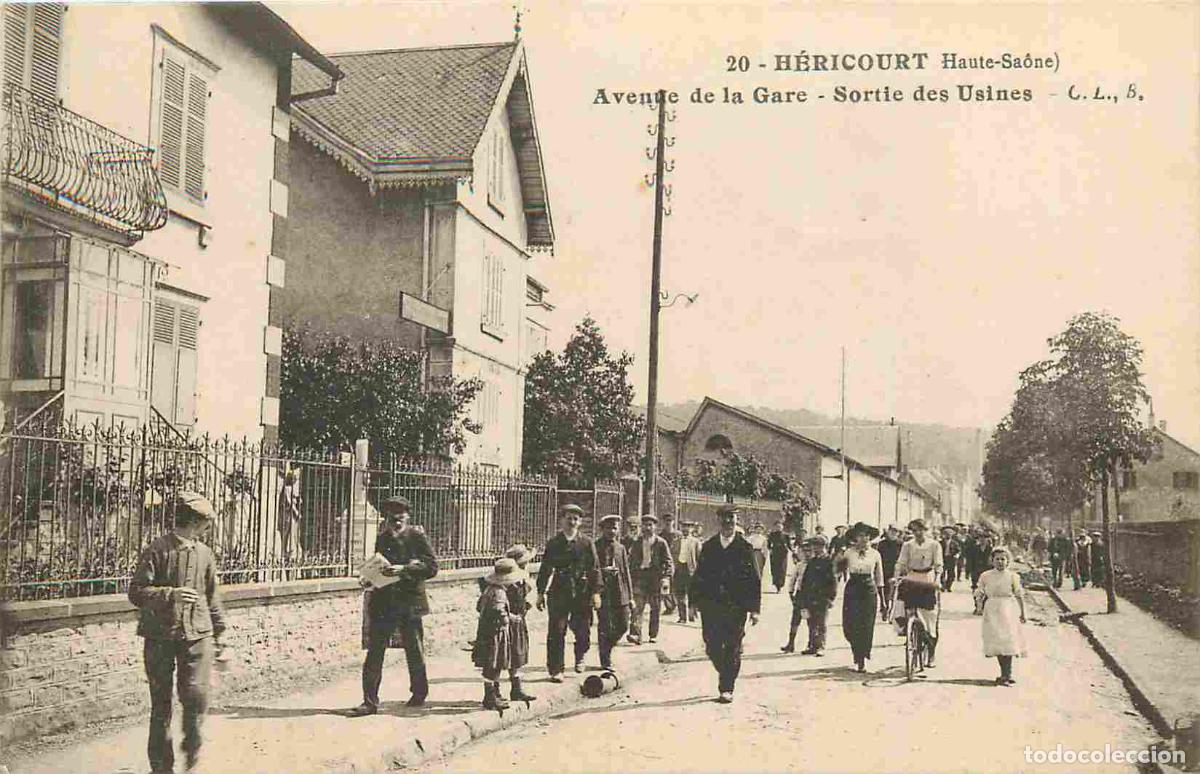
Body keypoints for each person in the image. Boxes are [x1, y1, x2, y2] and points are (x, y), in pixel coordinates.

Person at [129, 492, 226, 774]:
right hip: (159, 637)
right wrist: (170, 595)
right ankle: (161, 767)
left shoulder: (205, 554)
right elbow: (136, 592)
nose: (208, 527)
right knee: (161, 705)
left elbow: (212, 597)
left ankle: (192, 752)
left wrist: (222, 635)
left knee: (196, 698)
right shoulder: (157, 550)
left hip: (197, 637)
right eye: (206, 522)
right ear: (194, 521)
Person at [350, 496, 438, 716]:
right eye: (391, 519)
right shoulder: (382, 538)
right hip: (384, 602)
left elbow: (432, 567)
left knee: (414, 649)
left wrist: (404, 569)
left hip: (409, 602)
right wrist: (369, 578)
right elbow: (380, 564)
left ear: (407, 517)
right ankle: (369, 701)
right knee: (375, 651)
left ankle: (419, 693)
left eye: (399, 519)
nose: (396, 523)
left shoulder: (417, 537)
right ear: (386, 519)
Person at [690, 505, 761, 703]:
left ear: (736, 521)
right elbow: (699, 576)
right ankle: (728, 671)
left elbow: (754, 579)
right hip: (711, 606)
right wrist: (693, 602)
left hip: (735, 607)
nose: (728, 522)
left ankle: (726, 687)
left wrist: (754, 609)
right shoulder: (709, 546)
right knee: (711, 645)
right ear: (718, 521)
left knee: (732, 646)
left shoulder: (745, 547)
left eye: (732, 518)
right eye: (724, 519)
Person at [536, 504, 601, 680]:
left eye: (575, 519)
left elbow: (594, 569)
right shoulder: (554, 543)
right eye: (568, 518)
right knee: (557, 630)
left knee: (583, 630)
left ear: (580, 522)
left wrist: (595, 593)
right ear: (562, 520)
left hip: (582, 591)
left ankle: (580, 656)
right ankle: (556, 669)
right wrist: (540, 593)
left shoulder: (587, 543)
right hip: (559, 590)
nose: (572, 522)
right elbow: (545, 569)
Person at [472, 558, 523, 711]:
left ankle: (492, 695)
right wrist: (509, 619)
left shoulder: (489, 589)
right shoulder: (500, 593)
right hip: (496, 634)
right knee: (493, 664)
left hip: (487, 631)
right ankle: (490, 697)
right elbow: (498, 611)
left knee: (492, 664)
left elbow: (479, 607)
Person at [973, 547, 1027, 686]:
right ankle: (1004, 673)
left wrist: (1023, 613)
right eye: (997, 559)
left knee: (1007, 640)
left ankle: (1007, 674)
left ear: (1008, 560)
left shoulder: (1013, 576)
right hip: (991, 609)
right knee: (996, 641)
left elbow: (1019, 595)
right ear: (992, 560)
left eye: (1003, 559)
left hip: (1007, 608)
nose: (1000, 562)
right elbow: (980, 592)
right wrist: (979, 606)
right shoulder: (986, 575)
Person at [893, 518, 943, 667]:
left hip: (928, 577)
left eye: (921, 529)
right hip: (912, 576)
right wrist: (896, 576)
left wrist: (938, 579)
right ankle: (907, 629)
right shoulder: (908, 545)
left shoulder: (934, 545)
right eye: (915, 530)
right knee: (903, 602)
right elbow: (901, 562)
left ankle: (931, 653)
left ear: (926, 530)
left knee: (930, 618)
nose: (918, 533)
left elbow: (938, 564)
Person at [841, 522, 884, 673]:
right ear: (855, 537)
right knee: (850, 624)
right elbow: (837, 571)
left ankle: (861, 658)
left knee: (866, 624)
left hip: (868, 589)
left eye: (867, 535)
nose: (864, 538)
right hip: (852, 588)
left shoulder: (875, 554)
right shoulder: (848, 552)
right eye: (860, 535)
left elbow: (879, 578)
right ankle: (856, 652)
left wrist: (883, 602)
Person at [594, 514, 634, 670]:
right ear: (602, 529)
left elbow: (626, 572)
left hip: (620, 592)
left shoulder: (621, 548)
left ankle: (607, 647)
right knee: (604, 626)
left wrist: (630, 596)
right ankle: (605, 660)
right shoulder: (595, 546)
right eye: (608, 528)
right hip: (604, 592)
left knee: (623, 625)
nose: (612, 531)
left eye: (615, 528)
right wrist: (603, 572)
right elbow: (592, 569)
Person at [628, 513, 673, 644]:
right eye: (645, 525)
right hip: (640, 577)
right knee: (637, 607)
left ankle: (653, 634)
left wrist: (666, 577)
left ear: (655, 527)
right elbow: (631, 560)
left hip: (655, 578)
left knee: (655, 608)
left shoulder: (661, 543)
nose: (647, 528)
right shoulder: (637, 542)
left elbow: (669, 561)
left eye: (650, 525)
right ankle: (635, 634)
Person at [502, 544, 536, 705]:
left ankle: (516, 689)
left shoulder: (523, 576)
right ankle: (493, 691)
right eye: (523, 562)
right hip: (506, 622)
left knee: (517, 653)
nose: (526, 565)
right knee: (499, 656)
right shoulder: (505, 578)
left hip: (518, 620)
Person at [780, 537, 812, 653]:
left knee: (811, 620)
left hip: (811, 595)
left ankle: (811, 644)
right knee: (795, 619)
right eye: (805, 551)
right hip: (800, 594)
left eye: (810, 551)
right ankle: (791, 643)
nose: (807, 553)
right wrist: (790, 591)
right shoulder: (799, 565)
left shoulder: (815, 564)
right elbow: (793, 579)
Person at [673, 520, 702, 623]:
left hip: (690, 570)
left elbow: (699, 558)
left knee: (691, 594)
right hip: (679, 569)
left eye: (688, 527)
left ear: (692, 529)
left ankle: (691, 614)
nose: (685, 529)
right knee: (680, 594)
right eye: (684, 526)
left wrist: (698, 572)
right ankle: (682, 616)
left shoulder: (696, 542)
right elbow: (673, 556)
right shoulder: (676, 541)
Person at [876, 525, 903, 616]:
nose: (893, 533)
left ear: (898, 533)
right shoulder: (882, 544)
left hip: (896, 570)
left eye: (895, 532)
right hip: (884, 569)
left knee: (895, 591)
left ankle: (891, 609)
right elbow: (878, 557)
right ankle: (885, 607)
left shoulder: (901, 544)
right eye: (892, 531)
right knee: (885, 589)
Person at [276, 467, 302, 565]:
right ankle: (285, 554)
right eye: (294, 478)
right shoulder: (287, 489)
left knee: (294, 534)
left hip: (293, 515)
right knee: (287, 534)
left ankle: (291, 553)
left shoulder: (293, 489)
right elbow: (290, 503)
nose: (295, 480)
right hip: (288, 515)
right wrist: (296, 512)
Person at [659, 514, 680, 616]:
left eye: (670, 520)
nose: (668, 523)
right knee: (666, 584)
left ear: (673, 522)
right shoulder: (661, 535)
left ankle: (676, 605)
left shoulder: (678, 535)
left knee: (676, 585)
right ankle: (670, 606)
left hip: (677, 563)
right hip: (665, 563)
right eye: (666, 521)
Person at [767, 521, 790, 593]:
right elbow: (769, 544)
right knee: (775, 570)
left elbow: (789, 545)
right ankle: (777, 585)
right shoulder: (772, 535)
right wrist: (770, 549)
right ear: (774, 527)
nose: (778, 528)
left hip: (783, 554)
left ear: (782, 527)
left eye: (780, 526)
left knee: (782, 570)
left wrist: (793, 551)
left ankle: (780, 586)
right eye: (777, 526)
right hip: (775, 554)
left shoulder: (786, 536)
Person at [939, 525, 962, 592]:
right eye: (946, 534)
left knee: (951, 573)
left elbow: (959, 551)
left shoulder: (955, 543)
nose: (947, 535)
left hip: (951, 559)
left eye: (949, 534)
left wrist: (957, 555)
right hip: (943, 559)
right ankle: (943, 586)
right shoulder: (940, 543)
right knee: (942, 573)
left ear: (951, 535)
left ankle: (949, 586)